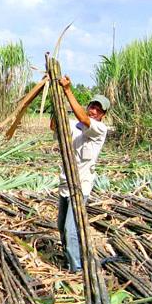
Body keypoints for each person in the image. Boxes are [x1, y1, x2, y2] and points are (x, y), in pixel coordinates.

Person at [50, 76, 110, 273]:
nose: (94, 111)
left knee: (71, 228)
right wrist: (55, 96)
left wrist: (68, 91)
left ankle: (76, 268)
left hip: (80, 186)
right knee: (61, 226)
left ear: (103, 115)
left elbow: (84, 119)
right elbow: (54, 125)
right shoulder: (74, 126)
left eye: (98, 110)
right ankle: (70, 259)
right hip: (65, 184)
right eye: (92, 106)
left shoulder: (100, 129)